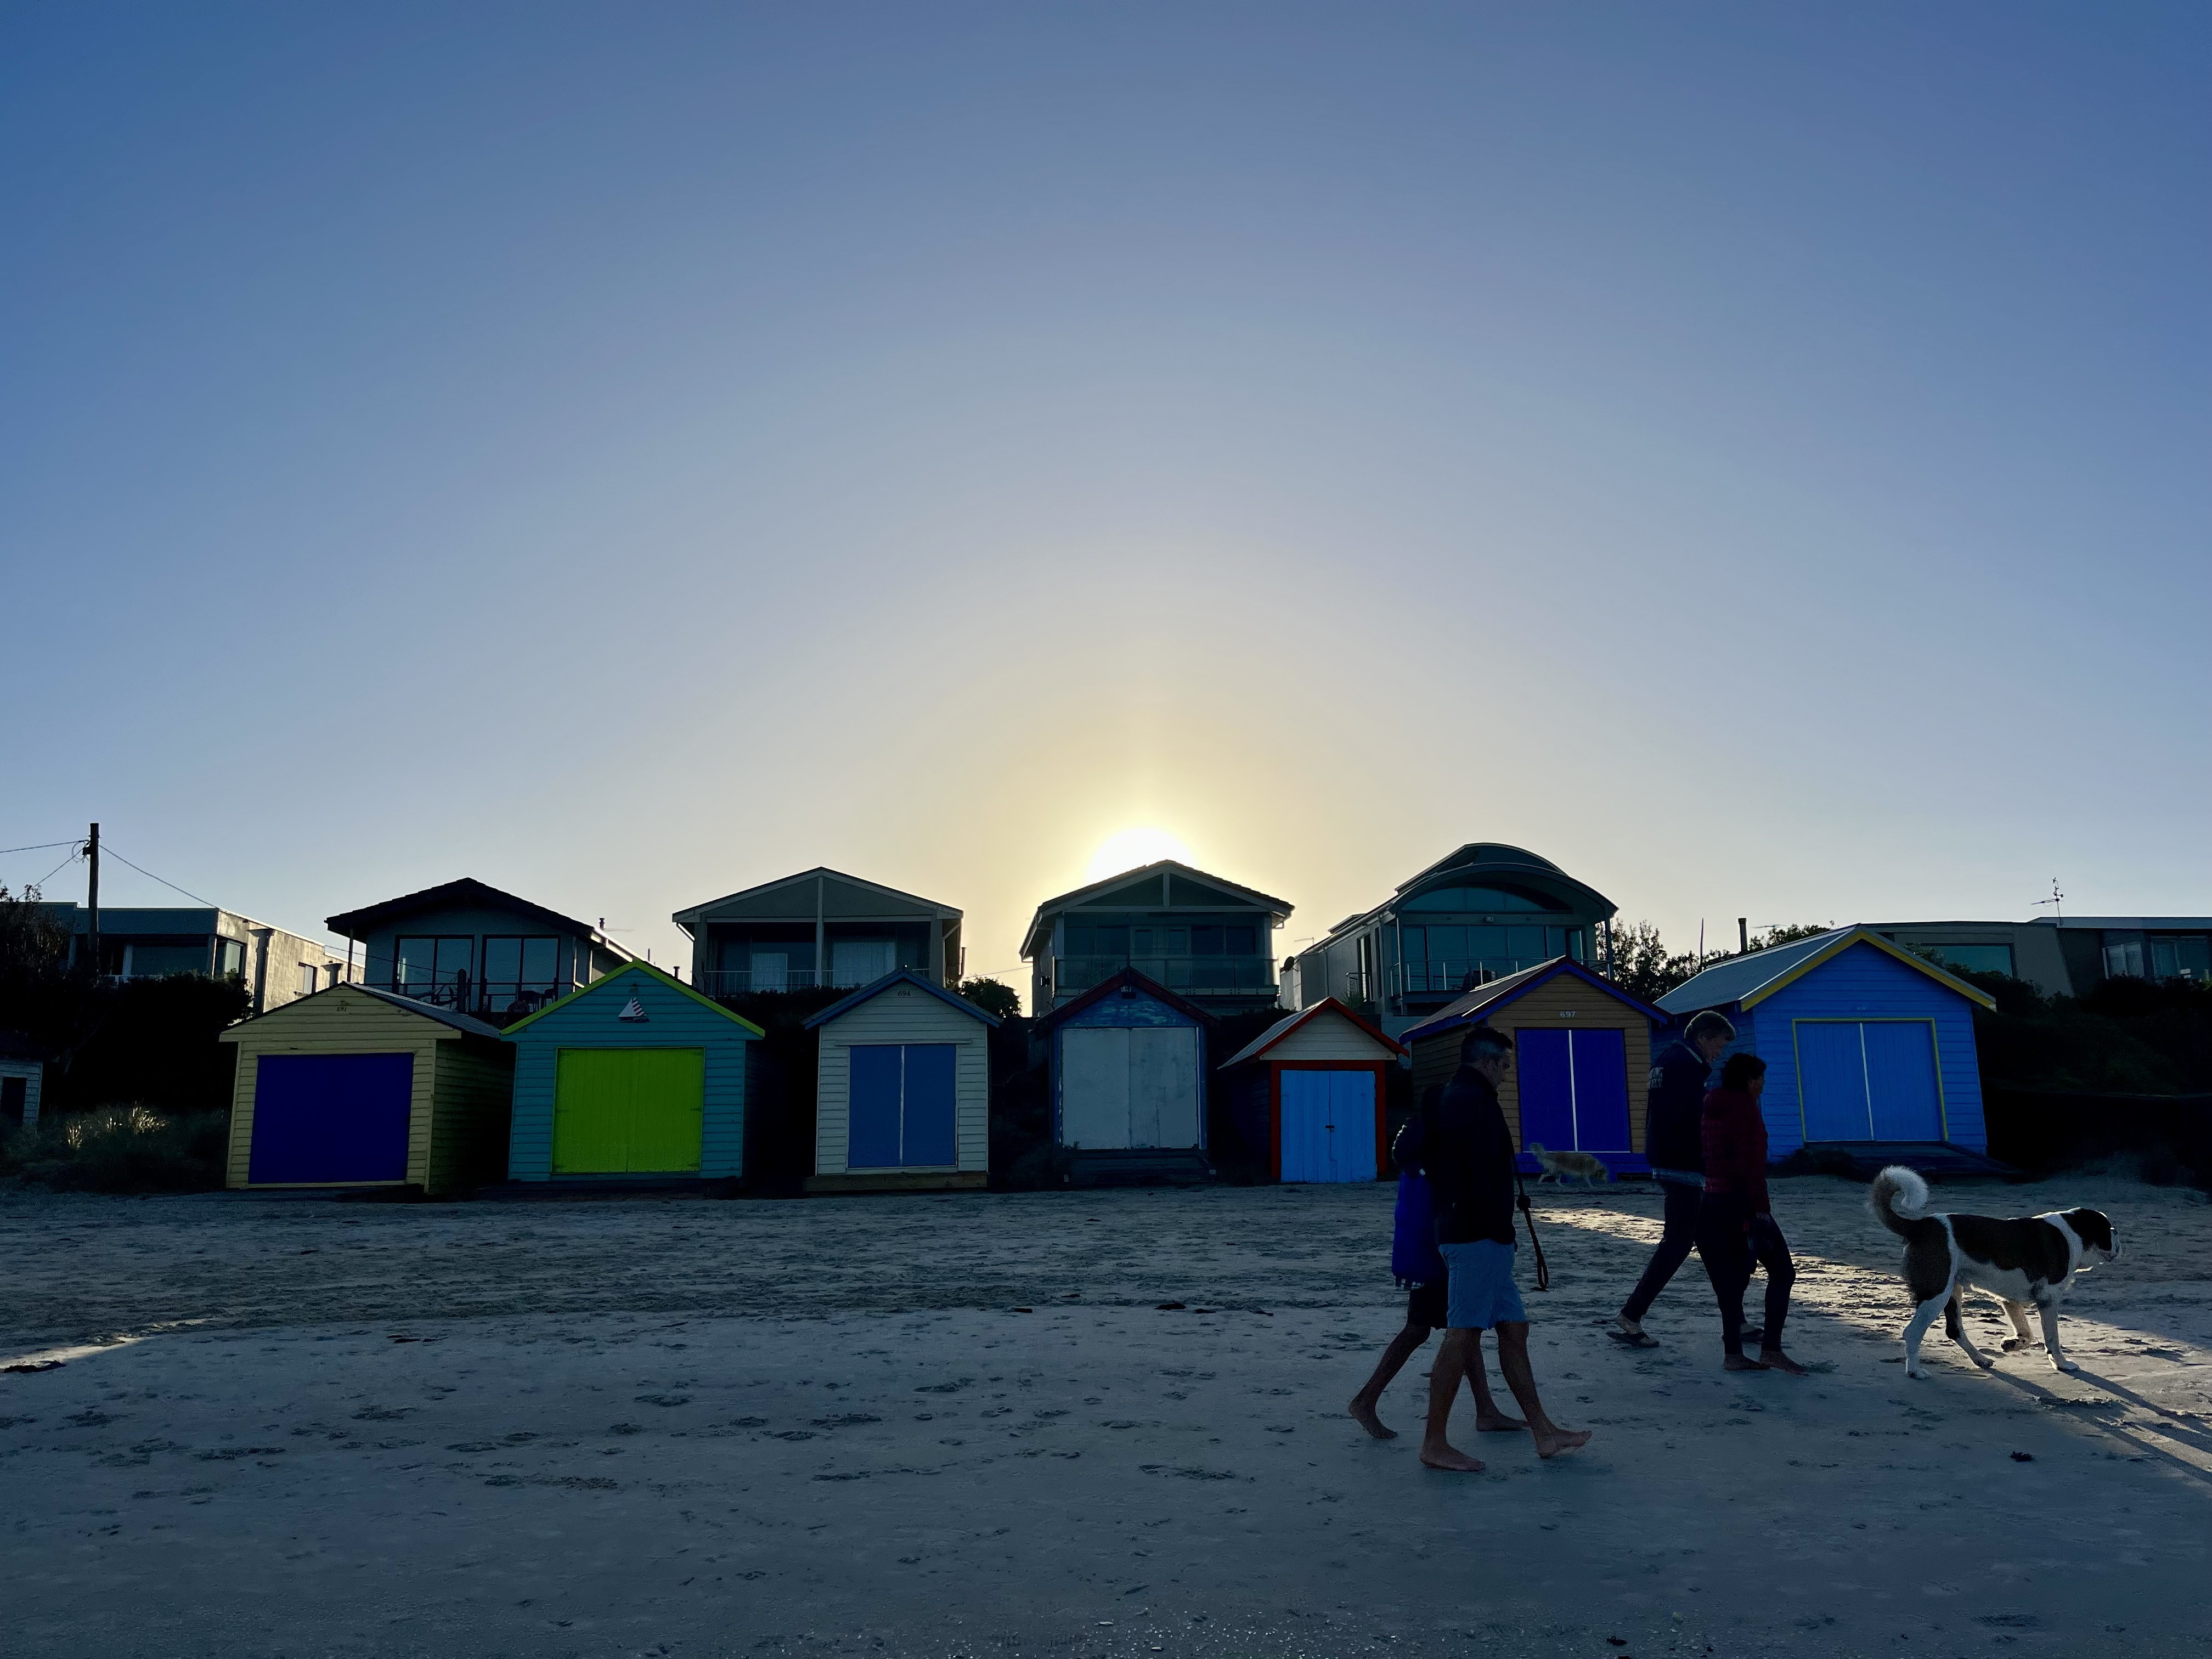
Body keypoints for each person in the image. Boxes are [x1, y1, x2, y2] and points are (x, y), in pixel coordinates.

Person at [1419, 1025, 1590, 1472]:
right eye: (1505, 1066)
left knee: (1513, 1329)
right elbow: (1476, 1175)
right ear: (1487, 1062)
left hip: (1476, 1233)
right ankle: (1434, 1443)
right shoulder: (1472, 1102)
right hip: (1477, 1237)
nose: (1507, 1074)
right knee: (1462, 1335)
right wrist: (1495, 1228)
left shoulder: (1454, 1097)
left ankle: (1544, 1431)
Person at [1348, 1088, 1526, 1441]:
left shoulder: (1420, 1144)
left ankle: (1486, 1409)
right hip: (1438, 1251)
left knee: (1461, 1326)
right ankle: (1366, 1400)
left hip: (1426, 1248)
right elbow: (1441, 1206)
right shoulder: (1438, 1148)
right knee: (1438, 1327)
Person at [1612, 1009, 1736, 1347]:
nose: (1719, 1052)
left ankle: (1736, 1319)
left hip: (1669, 1159)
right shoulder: (1687, 1066)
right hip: (1683, 1164)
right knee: (1678, 1243)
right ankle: (1631, 1315)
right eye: (1719, 1044)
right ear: (1703, 1037)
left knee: (1709, 1243)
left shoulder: (1668, 1059)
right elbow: (1694, 1119)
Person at [1697, 1052, 1805, 1375]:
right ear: (1749, 1080)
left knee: (1733, 1280)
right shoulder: (1745, 1109)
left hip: (1711, 1200)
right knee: (1783, 1272)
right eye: (1761, 1079)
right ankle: (1771, 1350)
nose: (1763, 1085)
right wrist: (1762, 1212)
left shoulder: (1710, 1105)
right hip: (1741, 1203)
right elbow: (1751, 1166)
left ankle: (1734, 1353)